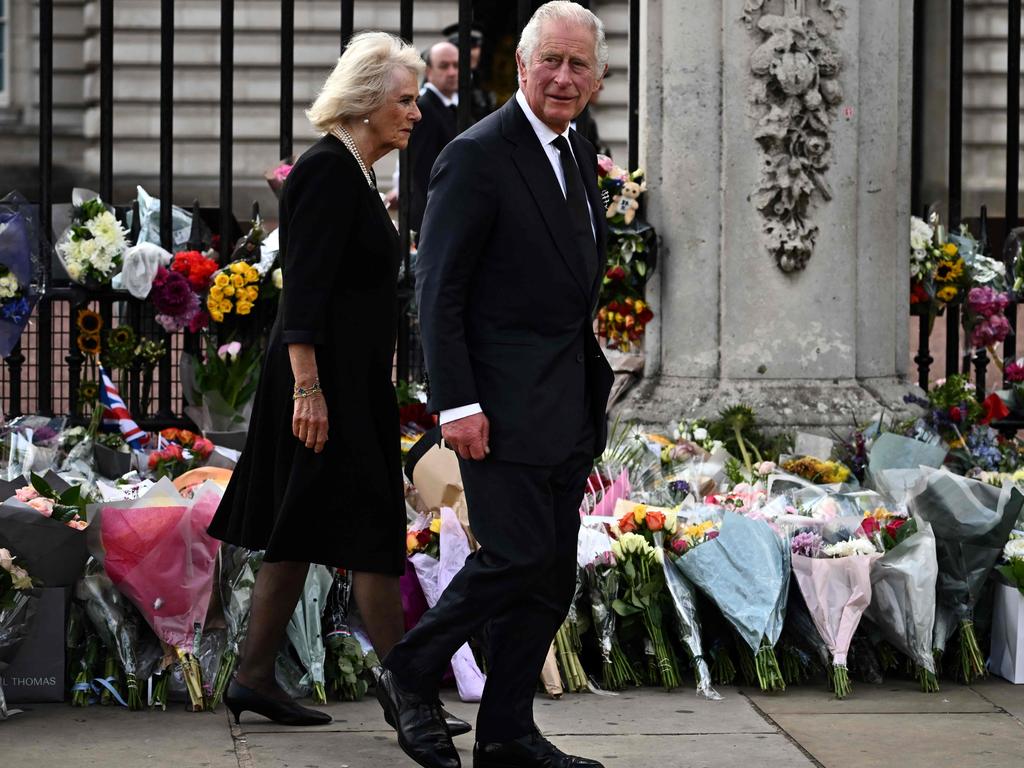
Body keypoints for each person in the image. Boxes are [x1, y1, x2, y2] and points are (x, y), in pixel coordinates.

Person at [207, 33, 468, 738]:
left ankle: (255, 677)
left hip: (348, 386)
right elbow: (306, 295)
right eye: (405, 100)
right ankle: (408, 691)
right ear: (364, 102)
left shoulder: (353, 173)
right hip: (322, 390)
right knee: (372, 534)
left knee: (305, 531)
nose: (417, 113)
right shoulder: (326, 171)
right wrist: (308, 390)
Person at [376, 4, 613, 768]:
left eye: (579, 64)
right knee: (513, 556)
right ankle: (410, 672)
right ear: (520, 64)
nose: (564, 77)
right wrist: (459, 406)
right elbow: (438, 292)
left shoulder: (580, 148)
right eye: (552, 61)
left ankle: (507, 732)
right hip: (498, 407)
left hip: (566, 403)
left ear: (597, 76)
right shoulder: (478, 154)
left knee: (548, 576)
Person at [408, 41, 461, 236]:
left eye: (456, 65)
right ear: (429, 71)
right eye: (444, 66)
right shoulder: (425, 108)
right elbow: (422, 170)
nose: (452, 72)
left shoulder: (453, 106)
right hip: (433, 216)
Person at [442, 20, 496, 122]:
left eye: (474, 46)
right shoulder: (441, 79)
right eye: (461, 46)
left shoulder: (479, 79)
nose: (470, 53)